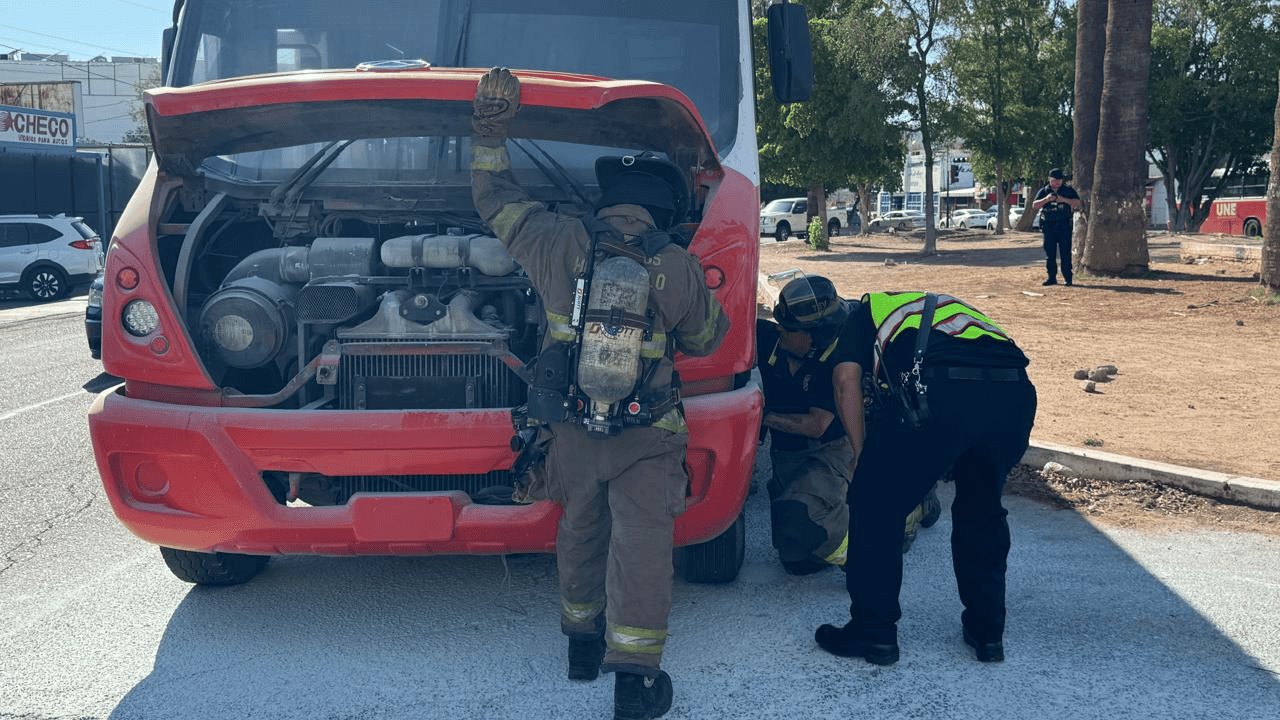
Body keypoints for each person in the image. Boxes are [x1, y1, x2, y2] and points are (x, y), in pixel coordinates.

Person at [470, 68, 729, 720]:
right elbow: (704, 338)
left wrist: (491, 133)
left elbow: (493, 199)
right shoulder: (677, 264)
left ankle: (580, 648)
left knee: (580, 531)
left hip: (574, 429)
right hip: (649, 436)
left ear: (605, 194)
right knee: (641, 546)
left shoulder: (554, 238)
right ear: (663, 206)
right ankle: (634, 682)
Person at [814, 290, 1037, 666]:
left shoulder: (863, 313)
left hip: (944, 390)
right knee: (980, 508)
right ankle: (987, 633)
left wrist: (860, 453)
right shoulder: (938, 311)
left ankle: (874, 632)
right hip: (1014, 396)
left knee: (874, 503)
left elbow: (844, 381)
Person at [758, 278, 939, 573]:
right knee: (796, 558)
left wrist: (760, 416)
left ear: (815, 335)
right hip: (788, 457)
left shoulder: (838, 361)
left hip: (828, 450)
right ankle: (855, 513)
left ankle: (901, 517)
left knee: (800, 521)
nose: (779, 329)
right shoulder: (767, 339)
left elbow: (817, 425)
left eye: (789, 328)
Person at [1031, 168, 1081, 286]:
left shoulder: (1068, 190)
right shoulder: (1044, 190)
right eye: (1054, 180)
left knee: (1065, 253)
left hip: (1064, 226)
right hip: (1049, 226)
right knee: (1050, 254)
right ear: (1049, 179)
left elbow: (1077, 203)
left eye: (1059, 180)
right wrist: (1046, 199)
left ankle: (1068, 278)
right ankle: (1051, 277)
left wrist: (1063, 199)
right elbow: (1034, 206)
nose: (1057, 182)